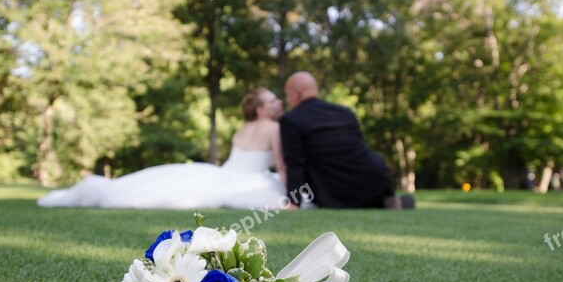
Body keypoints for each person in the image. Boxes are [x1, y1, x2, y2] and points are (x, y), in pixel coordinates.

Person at [38, 88, 287, 209]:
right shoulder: (274, 128)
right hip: (250, 181)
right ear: (260, 108)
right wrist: (290, 189)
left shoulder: (241, 129)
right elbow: (281, 164)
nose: (279, 103)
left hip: (224, 173)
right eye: (274, 100)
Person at [279, 71, 400, 209]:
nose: (287, 100)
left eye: (287, 95)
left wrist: (293, 202)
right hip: (374, 180)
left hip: (336, 193)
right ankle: (391, 201)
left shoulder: (291, 119)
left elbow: (295, 164)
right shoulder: (344, 112)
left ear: (296, 93)